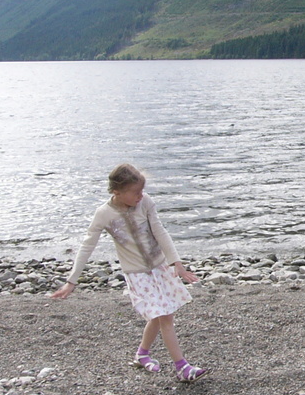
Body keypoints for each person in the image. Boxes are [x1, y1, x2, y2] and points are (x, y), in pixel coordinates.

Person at [52, 163, 209, 382]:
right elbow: (87, 246)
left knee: (159, 315)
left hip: (159, 267)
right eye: (135, 192)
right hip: (137, 274)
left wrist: (176, 263)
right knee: (164, 317)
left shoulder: (145, 203)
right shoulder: (104, 214)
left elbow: (160, 232)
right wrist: (71, 281)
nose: (140, 195)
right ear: (117, 192)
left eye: (142, 190)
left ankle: (142, 355)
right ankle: (182, 367)